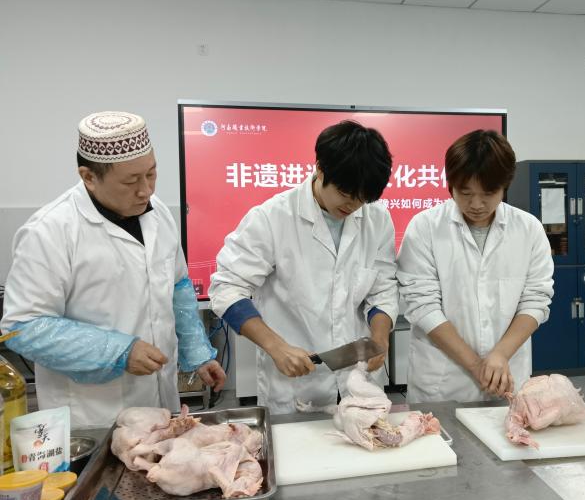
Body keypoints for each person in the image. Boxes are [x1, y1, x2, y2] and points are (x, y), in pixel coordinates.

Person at [1, 111, 225, 428]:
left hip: (160, 401)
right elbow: (23, 327)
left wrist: (197, 352)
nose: (146, 190)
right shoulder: (49, 231)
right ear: (89, 177)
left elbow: (177, 287)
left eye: (151, 174)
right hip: (93, 414)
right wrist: (118, 351)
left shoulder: (158, 214)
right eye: (131, 181)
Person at [209, 120, 398, 414]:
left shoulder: (377, 220)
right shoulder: (272, 218)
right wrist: (276, 347)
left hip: (357, 378)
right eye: (345, 193)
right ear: (320, 168)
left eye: (362, 199)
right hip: (294, 383)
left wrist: (380, 338)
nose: (353, 205)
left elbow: (382, 288)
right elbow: (227, 288)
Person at [396, 130, 554, 403]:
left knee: (510, 428)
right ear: (450, 185)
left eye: (488, 193)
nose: (476, 204)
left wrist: (500, 354)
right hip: (443, 382)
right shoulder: (425, 227)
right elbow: (422, 305)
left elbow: (536, 300)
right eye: (465, 193)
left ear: (505, 186)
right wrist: (476, 365)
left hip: (506, 373)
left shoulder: (529, 229)